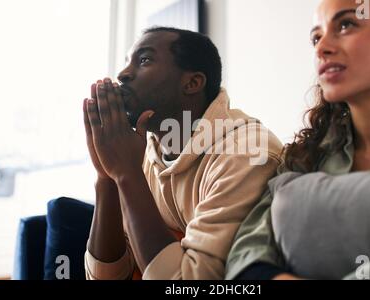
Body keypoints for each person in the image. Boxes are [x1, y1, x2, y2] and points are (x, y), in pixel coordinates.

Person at [225, 0, 370, 280]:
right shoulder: (305, 156)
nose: (321, 47)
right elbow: (246, 255)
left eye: (347, 24)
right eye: (316, 36)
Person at [82, 27, 283, 280]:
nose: (122, 74)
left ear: (192, 83)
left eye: (144, 60)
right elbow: (105, 277)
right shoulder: (141, 154)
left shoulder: (248, 154)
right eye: (126, 62)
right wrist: (107, 176)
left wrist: (127, 174)